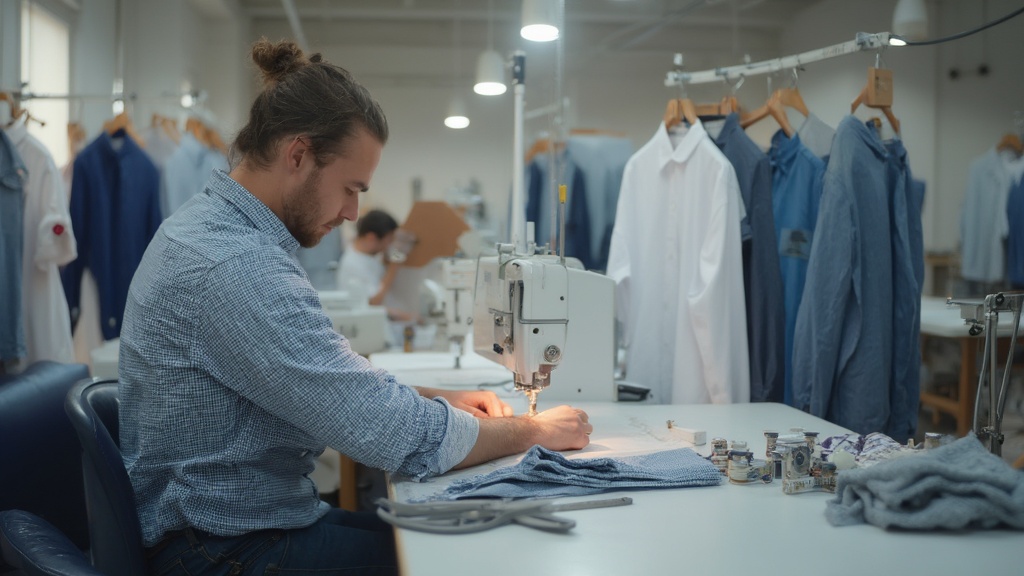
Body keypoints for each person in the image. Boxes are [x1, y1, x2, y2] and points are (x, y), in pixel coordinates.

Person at [118, 39, 592, 576]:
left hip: (240, 526)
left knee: (454, 530)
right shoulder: (232, 265)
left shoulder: (223, 234)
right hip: (222, 552)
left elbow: (329, 383)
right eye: (350, 188)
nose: (352, 211)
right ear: (297, 155)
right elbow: (387, 432)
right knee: (474, 557)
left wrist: (440, 397)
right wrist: (535, 431)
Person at [336, 208, 416, 322]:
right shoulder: (352, 264)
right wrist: (394, 267)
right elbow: (373, 302)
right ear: (371, 238)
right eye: (388, 241)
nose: (388, 246)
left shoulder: (369, 256)